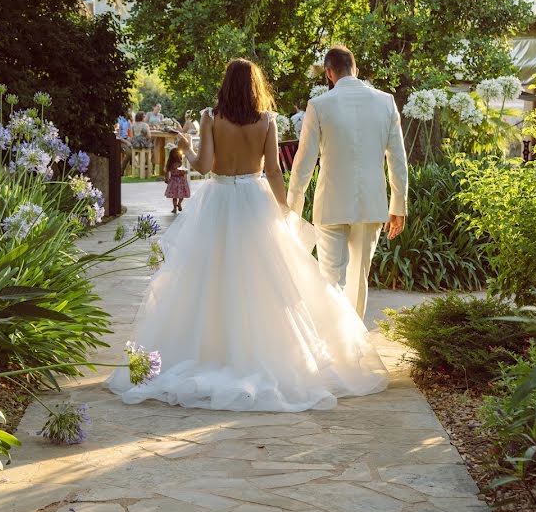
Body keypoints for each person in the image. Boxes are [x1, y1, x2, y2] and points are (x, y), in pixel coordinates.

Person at [107, 58, 387, 412]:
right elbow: (272, 170)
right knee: (263, 282)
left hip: (219, 200)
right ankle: (261, 352)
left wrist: (184, 145)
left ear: (226, 84)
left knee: (208, 280)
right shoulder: (266, 120)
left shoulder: (211, 117)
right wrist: (284, 208)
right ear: (255, 85)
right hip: (255, 202)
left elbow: (203, 166)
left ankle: (213, 349)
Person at [287, 45, 408, 319]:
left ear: (329, 73)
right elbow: (397, 159)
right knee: (358, 279)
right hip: (371, 203)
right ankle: (354, 348)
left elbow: (303, 163)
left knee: (330, 278)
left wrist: (292, 207)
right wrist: (398, 205)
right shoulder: (386, 101)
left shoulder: (318, 105)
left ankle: (334, 345)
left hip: (330, 204)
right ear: (357, 70)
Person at [163, 145, 190, 213]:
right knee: (174, 196)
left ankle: (179, 203)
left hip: (181, 181)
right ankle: (174, 208)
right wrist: (166, 178)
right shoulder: (170, 163)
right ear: (172, 155)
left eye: (177, 153)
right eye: (174, 153)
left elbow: (182, 171)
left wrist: (184, 172)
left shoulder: (180, 162)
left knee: (182, 195)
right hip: (174, 180)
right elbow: (167, 171)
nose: (176, 155)